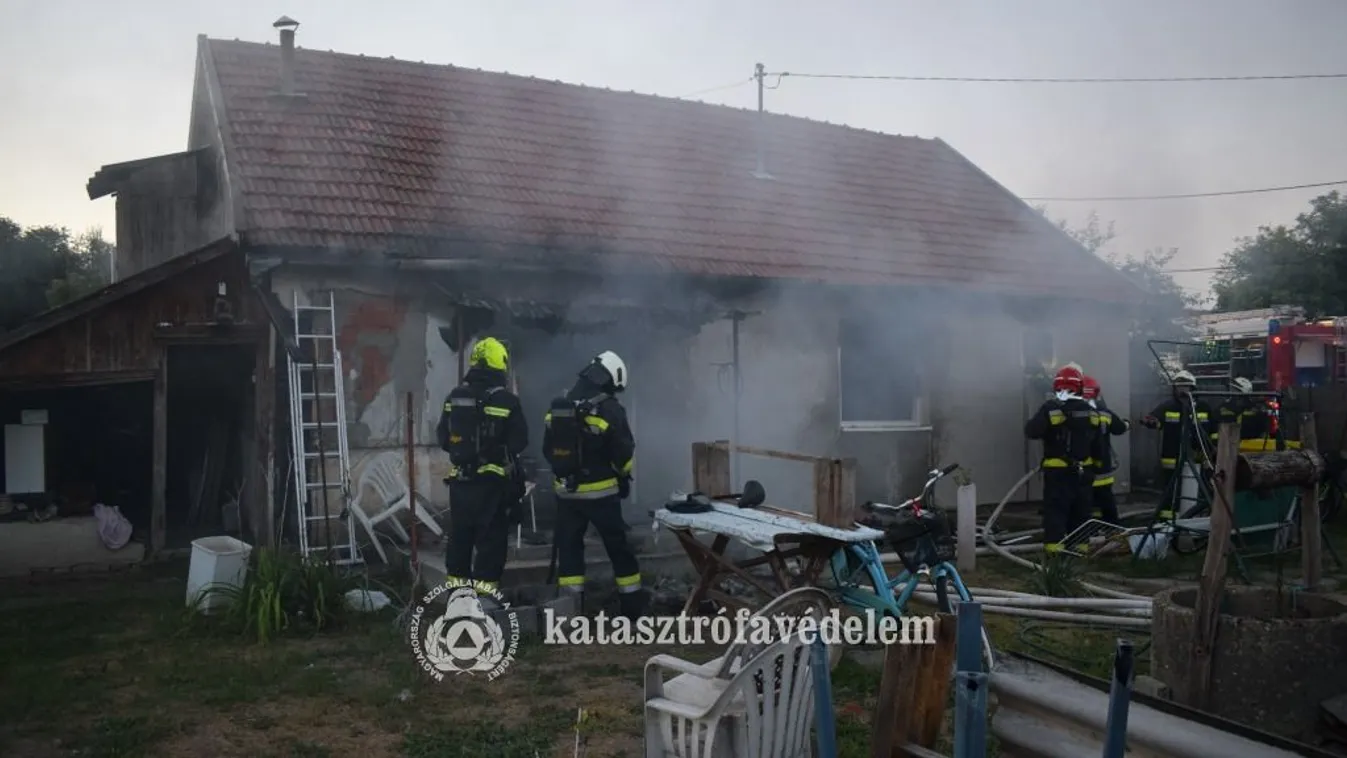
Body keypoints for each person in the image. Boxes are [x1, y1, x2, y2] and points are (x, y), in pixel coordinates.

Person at [543, 350, 646, 618]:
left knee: (570, 550)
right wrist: (623, 477)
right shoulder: (610, 408)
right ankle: (633, 609)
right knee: (619, 549)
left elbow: (547, 450)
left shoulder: (561, 405)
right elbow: (624, 452)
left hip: (567, 494)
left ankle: (569, 612)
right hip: (601, 495)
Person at [436, 336, 528, 601]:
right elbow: (520, 442)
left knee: (460, 540)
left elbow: (443, 438)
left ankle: (457, 598)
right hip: (492, 485)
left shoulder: (454, 397)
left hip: (460, 484)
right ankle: (485, 603)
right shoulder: (507, 401)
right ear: (500, 364)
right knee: (490, 543)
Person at [1024, 365, 1099, 554]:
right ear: (1079, 387)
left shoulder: (1051, 408)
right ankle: (1080, 550)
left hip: (1058, 472)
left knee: (1056, 511)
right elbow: (1098, 442)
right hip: (1084, 472)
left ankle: (1055, 553)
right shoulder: (1090, 411)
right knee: (1081, 511)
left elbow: (1031, 431)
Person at [1139, 370, 1212, 518]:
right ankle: (1167, 520)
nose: (1182, 390)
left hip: (1198, 458)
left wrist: (1210, 453)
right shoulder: (1168, 406)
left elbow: (1213, 430)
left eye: (1185, 386)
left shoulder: (1202, 407)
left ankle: (1197, 517)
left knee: (1200, 489)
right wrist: (1151, 422)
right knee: (1171, 490)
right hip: (1172, 457)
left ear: (1192, 388)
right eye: (1179, 387)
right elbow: (1154, 419)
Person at [1082, 375, 1129, 524]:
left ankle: (1089, 528)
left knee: (1085, 502)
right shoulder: (1105, 413)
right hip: (1103, 465)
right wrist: (1127, 423)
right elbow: (1120, 428)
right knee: (1105, 499)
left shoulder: (1073, 412)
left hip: (1083, 467)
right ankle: (1111, 528)